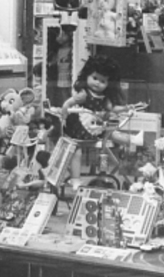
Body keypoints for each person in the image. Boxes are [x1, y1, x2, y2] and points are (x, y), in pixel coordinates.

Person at [60, 54, 144, 184]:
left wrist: (127, 107)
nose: (97, 83)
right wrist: (64, 116)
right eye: (95, 78)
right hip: (81, 126)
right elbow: (67, 103)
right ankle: (76, 178)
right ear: (87, 76)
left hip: (96, 127)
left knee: (110, 135)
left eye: (103, 81)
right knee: (78, 148)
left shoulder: (104, 98)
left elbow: (113, 108)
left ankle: (132, 140)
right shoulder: (83, 94)